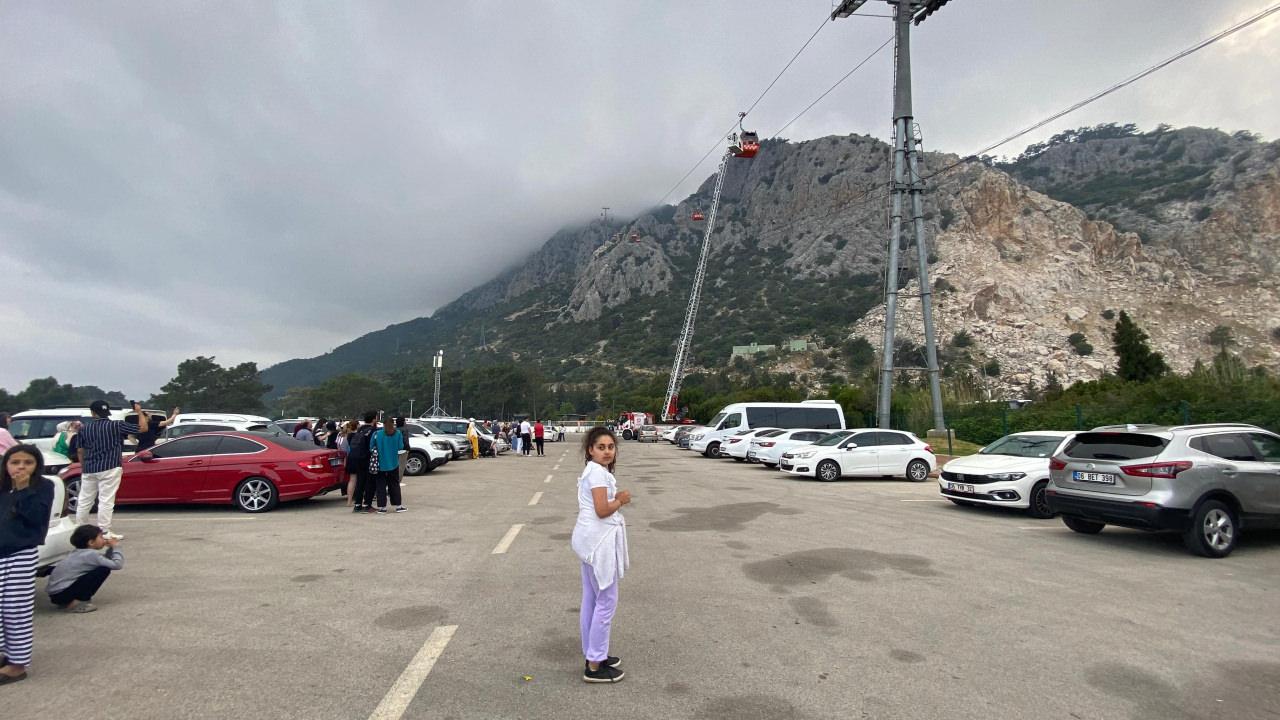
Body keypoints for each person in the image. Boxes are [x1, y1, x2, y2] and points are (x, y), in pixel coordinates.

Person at [571, 427, 630, 683]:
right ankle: (595, 665)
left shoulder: (595, 471)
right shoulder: (596, 473)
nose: (607, 451)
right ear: (590, 450)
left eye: (610, 447)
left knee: (592, 600)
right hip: (598, 545)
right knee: (605, 602)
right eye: (601, 447)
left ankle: (595, 654)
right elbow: (602, 510)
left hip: (588, 543)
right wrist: (621, 500)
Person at [0, 444, 55, 684]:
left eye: (28, 463)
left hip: (20, 553)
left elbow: (35, 517)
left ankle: (18, 664)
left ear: (36, 466)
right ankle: (3, 652)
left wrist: (22, 489)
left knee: (15, 608)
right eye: (15, 462)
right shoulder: (2, 487)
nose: (20, 467)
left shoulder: (43, 487)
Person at [77, 400, 148, 541]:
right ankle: (104, 531)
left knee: (85, 500)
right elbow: (142, 428)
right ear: (107, 412)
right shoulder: (116, 425)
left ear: (92, 412)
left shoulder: (84, 429)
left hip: (90, 468)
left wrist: (83, 466)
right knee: (106, 500)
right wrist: (139, 411)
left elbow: (80, 450)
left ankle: (80, 528)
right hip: (110, 466)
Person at [46, 525, 124, 613]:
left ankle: (69, 602)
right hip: (63, 594)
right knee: (103, 569)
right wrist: (117, 547)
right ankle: (77, 603)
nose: (104, 539)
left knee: (101, 567)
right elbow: (117, 565)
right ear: (91, 542)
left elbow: (106, 561)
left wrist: (111, 549)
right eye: (101, 537)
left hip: (57, 594)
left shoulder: (78, 552)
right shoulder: (91, 555)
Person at [367, 415, 406, 514]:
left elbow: (371, 447)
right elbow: (400, 447)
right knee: (394, 485)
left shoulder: (377, 434)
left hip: (380, 464)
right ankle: (398, 506)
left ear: (383, 424)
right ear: (393, 424)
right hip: (393, 463)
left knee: (380, 486)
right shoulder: (398, 433)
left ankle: (382, 508)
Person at [346, 413, 377, 513]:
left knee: (360, 482)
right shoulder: (373, 430)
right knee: (370, 482)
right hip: (367, 458)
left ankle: (357, 504)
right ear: (374, 419)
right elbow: (373, 445)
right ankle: (367, 505)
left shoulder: (360, 429)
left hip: (356, 458)